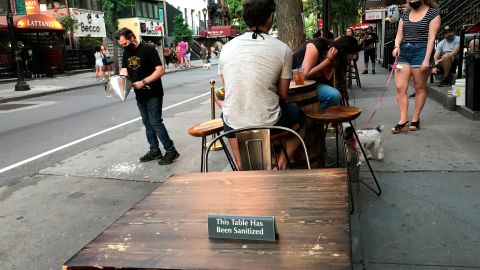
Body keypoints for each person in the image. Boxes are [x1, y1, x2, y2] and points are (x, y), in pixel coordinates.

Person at [218, 0, 306, 170]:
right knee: (300, 117)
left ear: (246, 20)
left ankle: (241, 167)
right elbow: (283, 95)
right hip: (269, 124)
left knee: (229, 113)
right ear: (270, 19)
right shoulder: (283, 49)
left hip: (232, 123)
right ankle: (280, 165)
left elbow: (230, 88)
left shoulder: (227, 48)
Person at [115, 27, 180, 165]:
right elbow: (125, 69)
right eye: (122, 45)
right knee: (147, 123)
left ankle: (171, 150)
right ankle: (155, 150)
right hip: (140, 94)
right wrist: (122, 81)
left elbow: (161, 70)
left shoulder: (148, 49)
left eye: (125, 43)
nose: (124, 47)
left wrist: (143, 82)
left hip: (153, 92)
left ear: (132, 37)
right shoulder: (126, 52)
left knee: (155, 121)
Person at [391, 0, 440, 133]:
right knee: (400, 87)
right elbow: (399, 34)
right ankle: (403, 120)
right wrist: (396, 46)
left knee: (419, 87)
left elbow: (431, 39)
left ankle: (415, 118)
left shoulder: (433, 14)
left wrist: (426, 59)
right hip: (404, 51)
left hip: (422, 51)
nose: (412, 0)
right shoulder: (405, 14)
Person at [292, 36, 361, 110]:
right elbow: (304, 74)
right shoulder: (317, 45)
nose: (353, 57)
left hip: (313, 83)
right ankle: (313, 119)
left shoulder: (337, 57)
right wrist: (328, 60)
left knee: (335, 96)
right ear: (345, 51)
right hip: (297, 82)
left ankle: (318, 117)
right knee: (334, 96)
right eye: (352, 54)